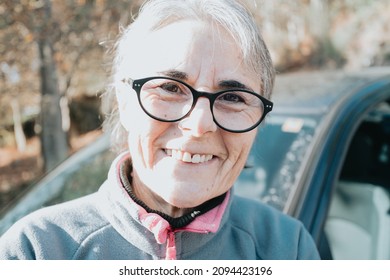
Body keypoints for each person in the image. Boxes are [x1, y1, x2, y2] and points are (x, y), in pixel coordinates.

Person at [0, 0, 320, 260]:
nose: (198, 125)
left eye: (233, 97)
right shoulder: (38, 250)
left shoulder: (286, 248)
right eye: (170, 87)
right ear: (124, 102)